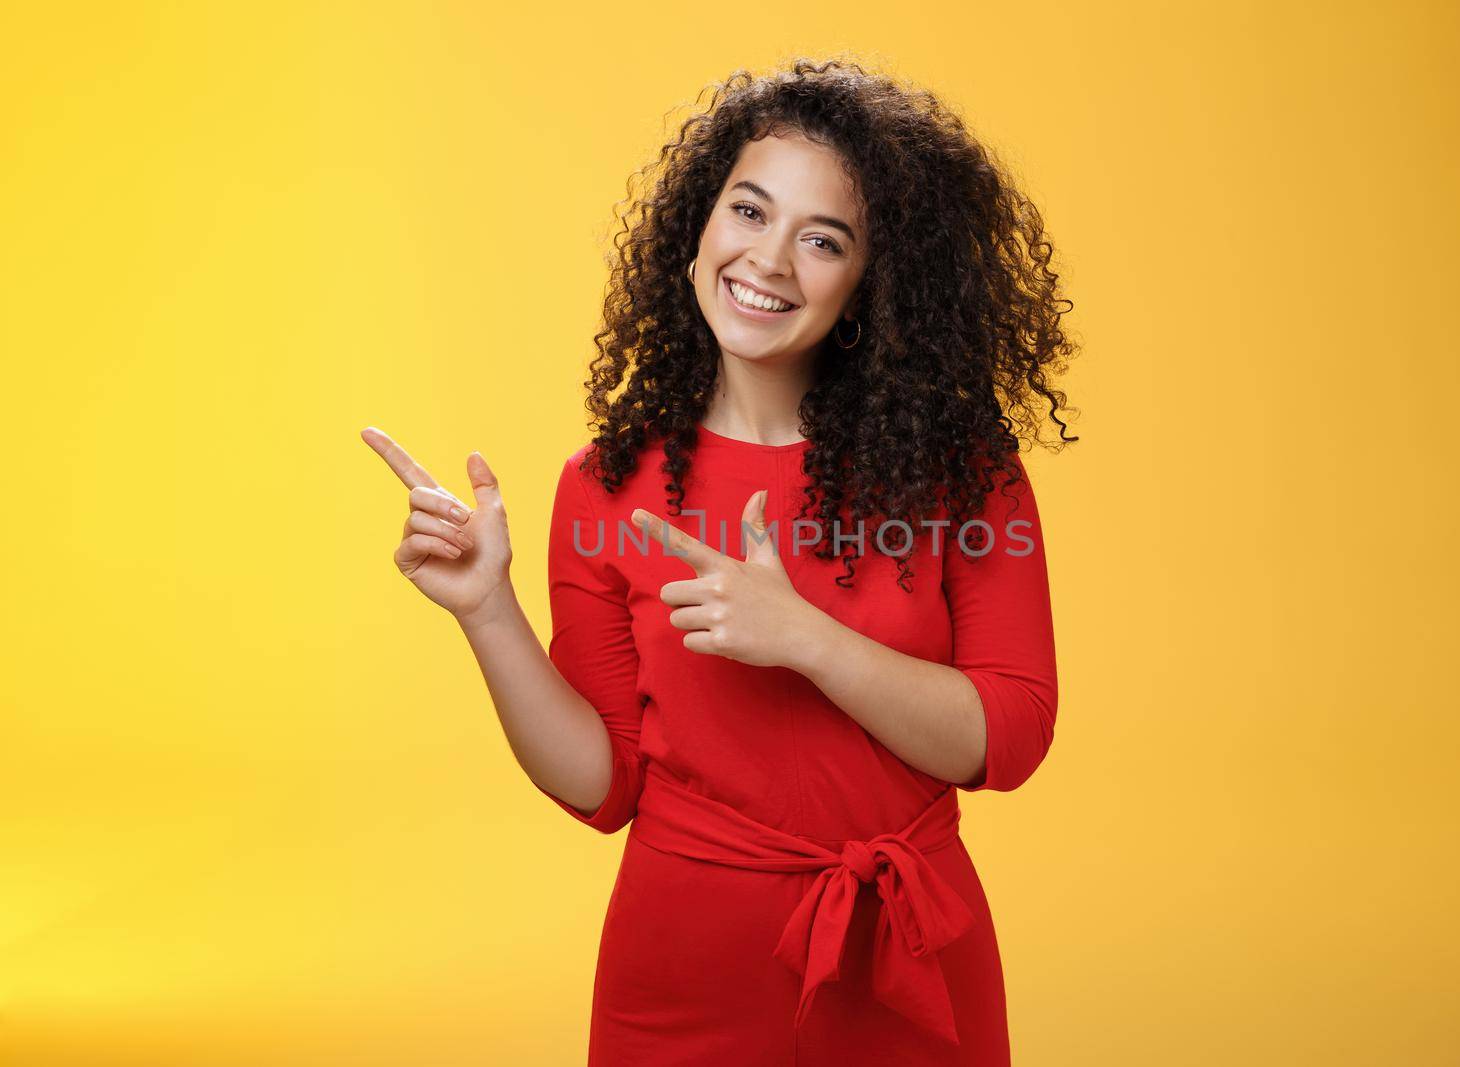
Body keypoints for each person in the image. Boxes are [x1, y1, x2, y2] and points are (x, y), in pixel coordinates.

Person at [362, 56, 1078, 1067]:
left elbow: (1009, 734)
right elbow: (602, 785)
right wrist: (487, 610)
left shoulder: (961, 473)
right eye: (749, 212)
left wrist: (808, 642)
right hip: (682, 973)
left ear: (874, 281)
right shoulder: (605, 483)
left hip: (908, 962)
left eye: (822, 239)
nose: (771, 260)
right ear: (698, 227)